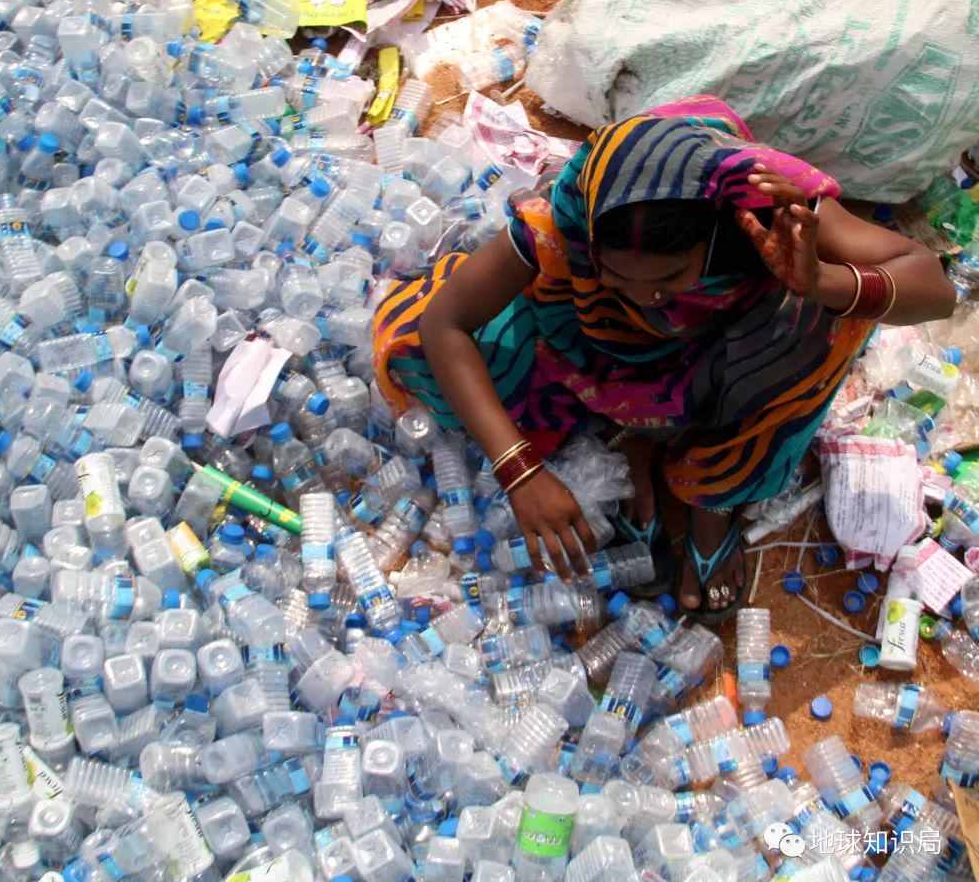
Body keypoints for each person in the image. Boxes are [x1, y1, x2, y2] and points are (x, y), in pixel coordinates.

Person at [373, 97, 955, 623]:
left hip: (724, 351)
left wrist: (821, 279)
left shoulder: (763, 206)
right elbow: (446, 324)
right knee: (417, 353)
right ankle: (638, 438)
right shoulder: (567, 218)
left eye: (670, 277)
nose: (645, 296)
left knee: (813, 325)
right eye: (616, 274)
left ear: (713, 238)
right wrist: (518, 469)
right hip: (595, 347)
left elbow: (933, 287)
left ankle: (711, 503)